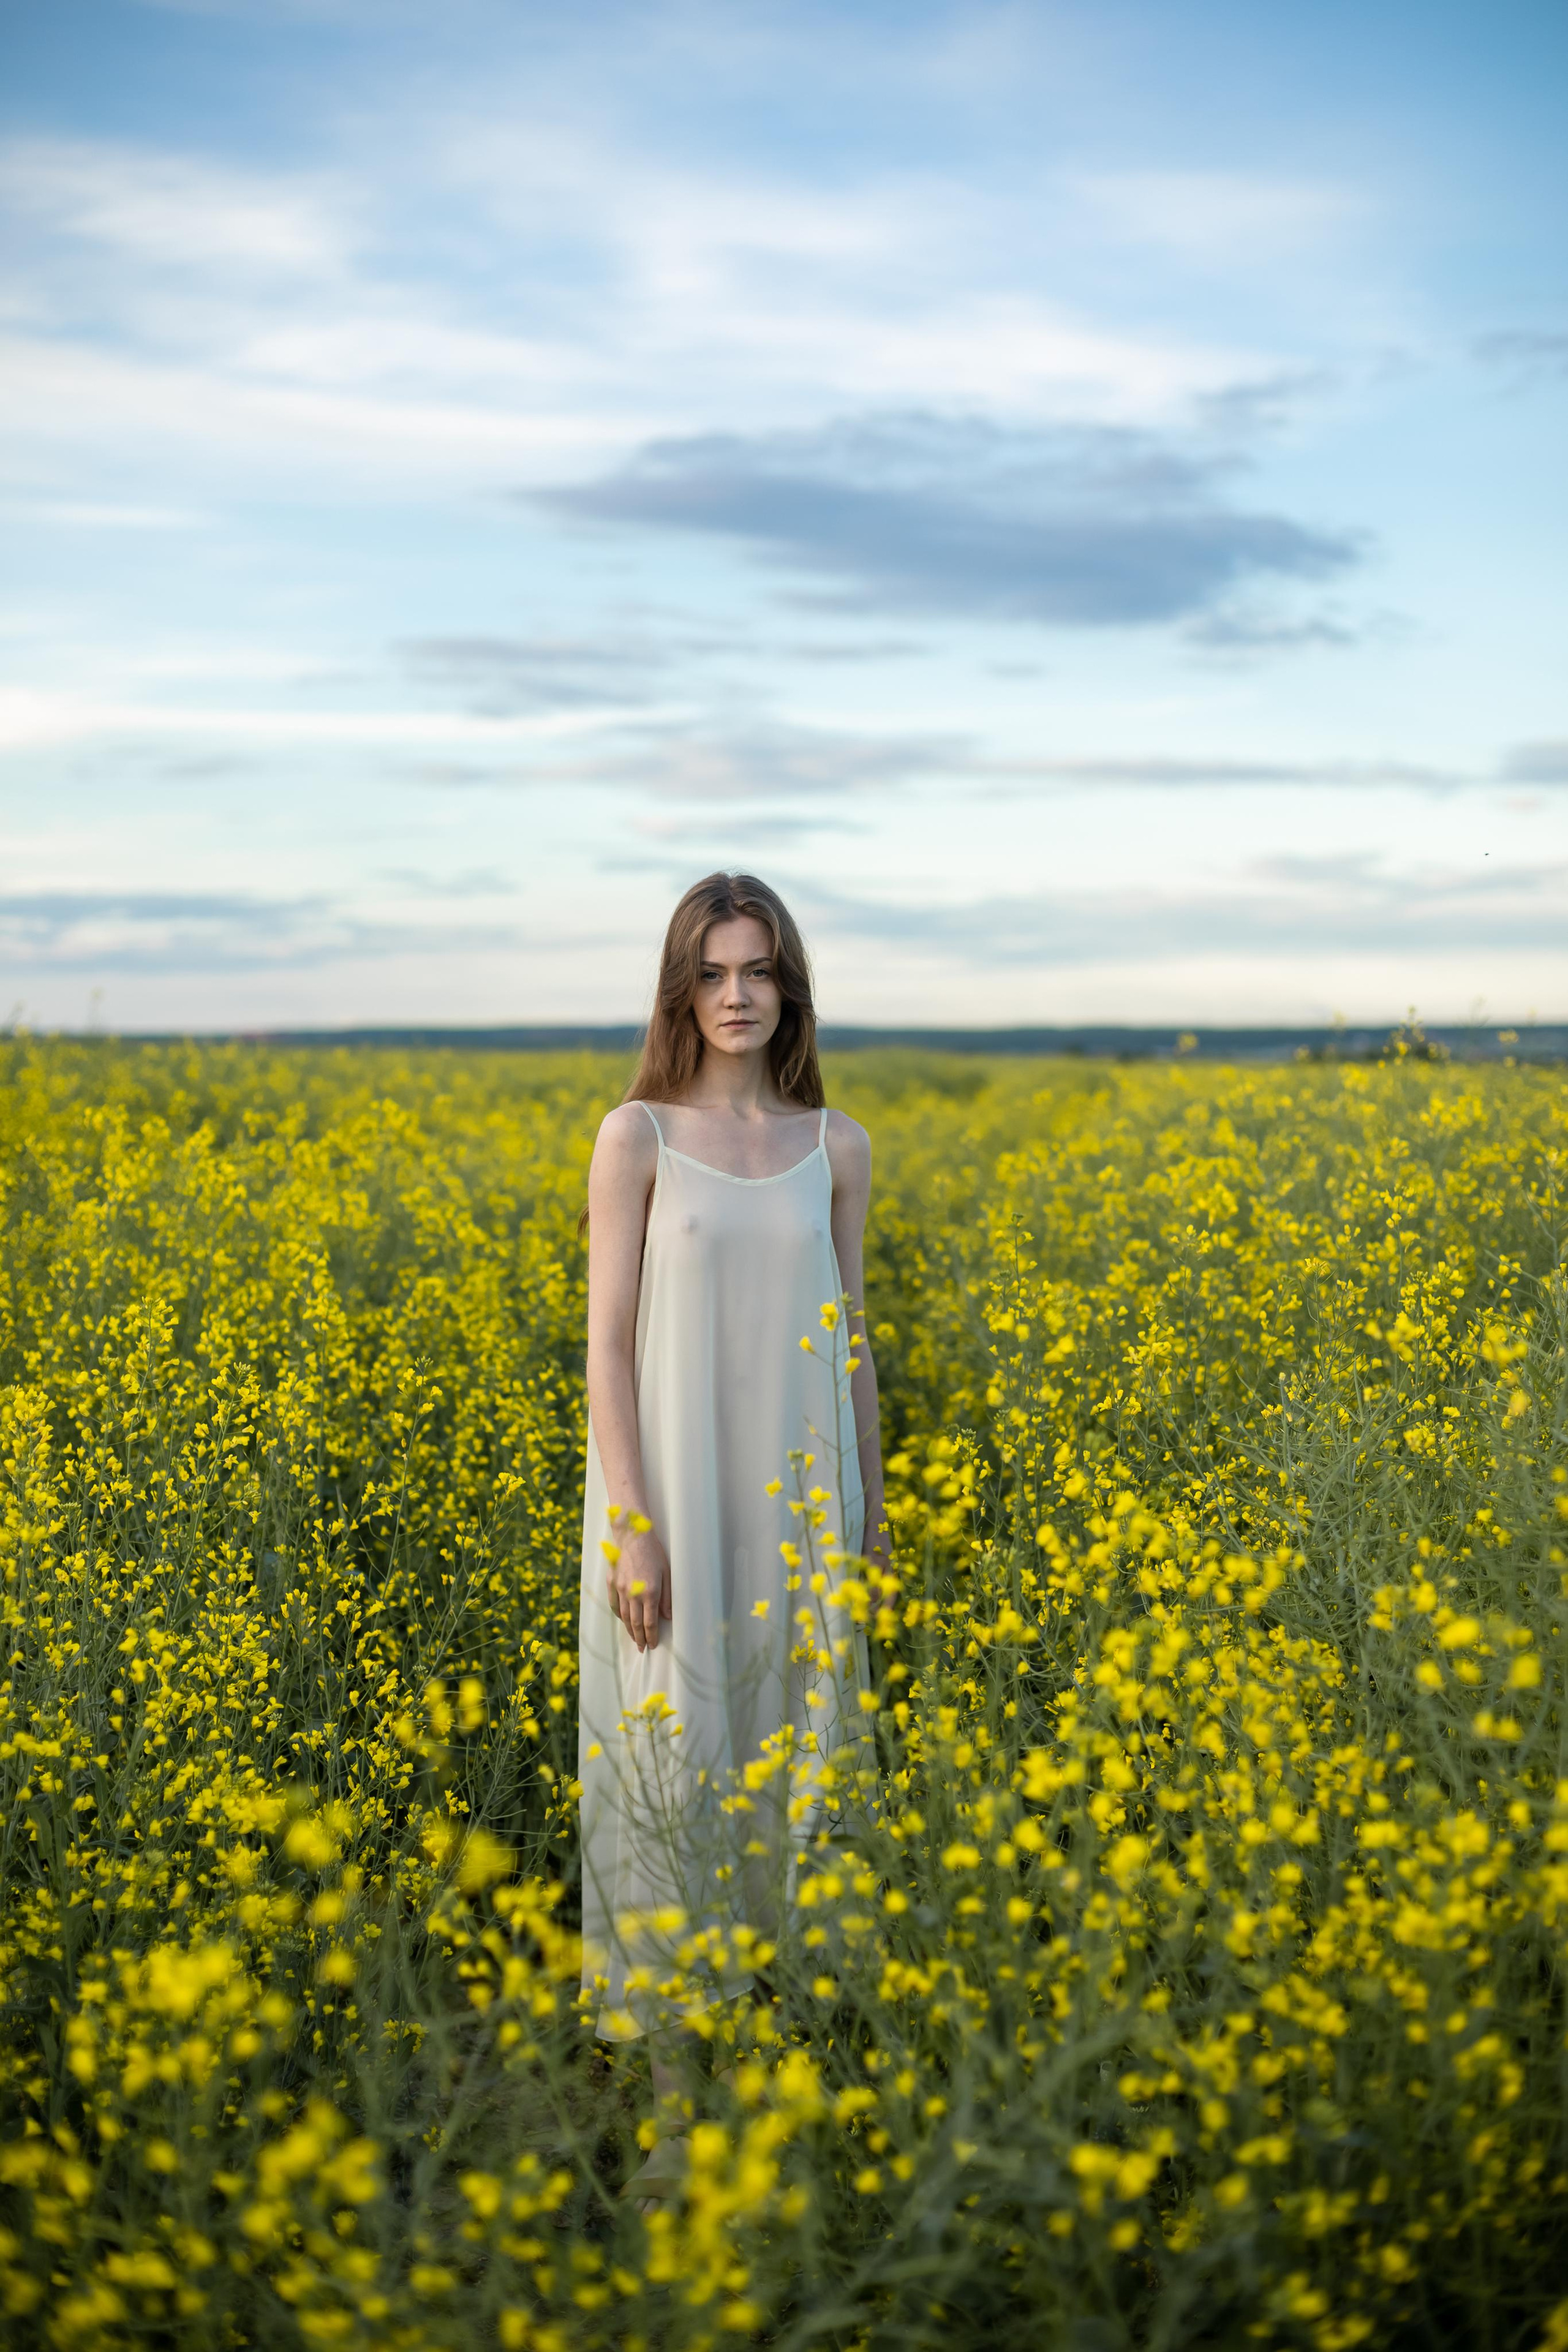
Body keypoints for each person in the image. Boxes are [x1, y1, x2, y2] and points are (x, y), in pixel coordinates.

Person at [575, 871, 887, 2196]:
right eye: (711, 973)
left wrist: (871, 1520)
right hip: (675, 1503)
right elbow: (605, 1346)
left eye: (757, 970)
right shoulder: (636, 1135)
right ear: (680, 990)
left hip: (805, 1505)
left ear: (789, 986)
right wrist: (632, 1528)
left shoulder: (839, 1146)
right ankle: (670, 2108)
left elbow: (853, 1340)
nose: (737, 995)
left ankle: (776, 2074)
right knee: (674, 1762)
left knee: (792, 1760)